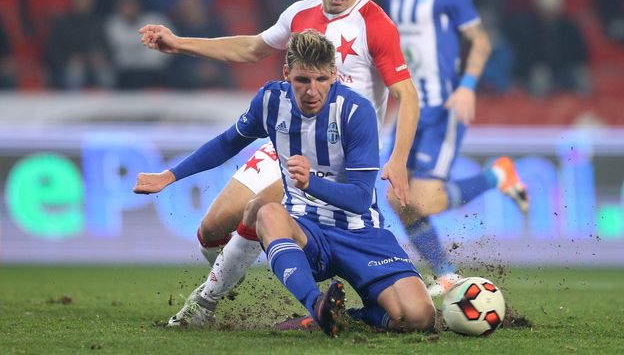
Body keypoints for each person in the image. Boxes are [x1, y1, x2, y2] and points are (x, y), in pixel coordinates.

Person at [138, 0, 418, 321]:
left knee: (260, 209)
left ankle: (206, 304)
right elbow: (252, 47)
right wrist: (180, 43)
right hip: (289, 140)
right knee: (212, 231)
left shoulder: (376, 25)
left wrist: (399, 158)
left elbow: (408, 95)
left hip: (338, 155)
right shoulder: (300, 13)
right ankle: (257, 269)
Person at [134, 30, 435, 335]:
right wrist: (170, 175)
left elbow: (359, 198)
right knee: (265, 212)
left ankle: (351, 317)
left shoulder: (356, 112)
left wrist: (310, 183)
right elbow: (228, 143)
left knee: (419, 317)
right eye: (302, 80)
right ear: (287, 73)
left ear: (333, 75)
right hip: (305, 230)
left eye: (320, 79)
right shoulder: (270, 100)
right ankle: (316, 306)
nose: (311, 91)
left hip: (359, 233)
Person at [383, 0, 529, 296]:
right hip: (409, 108)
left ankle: (497, 176)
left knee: (423, 201)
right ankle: (446, 275)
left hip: (444, 108)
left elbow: (480, 41)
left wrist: (467, 85)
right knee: (398, 199)